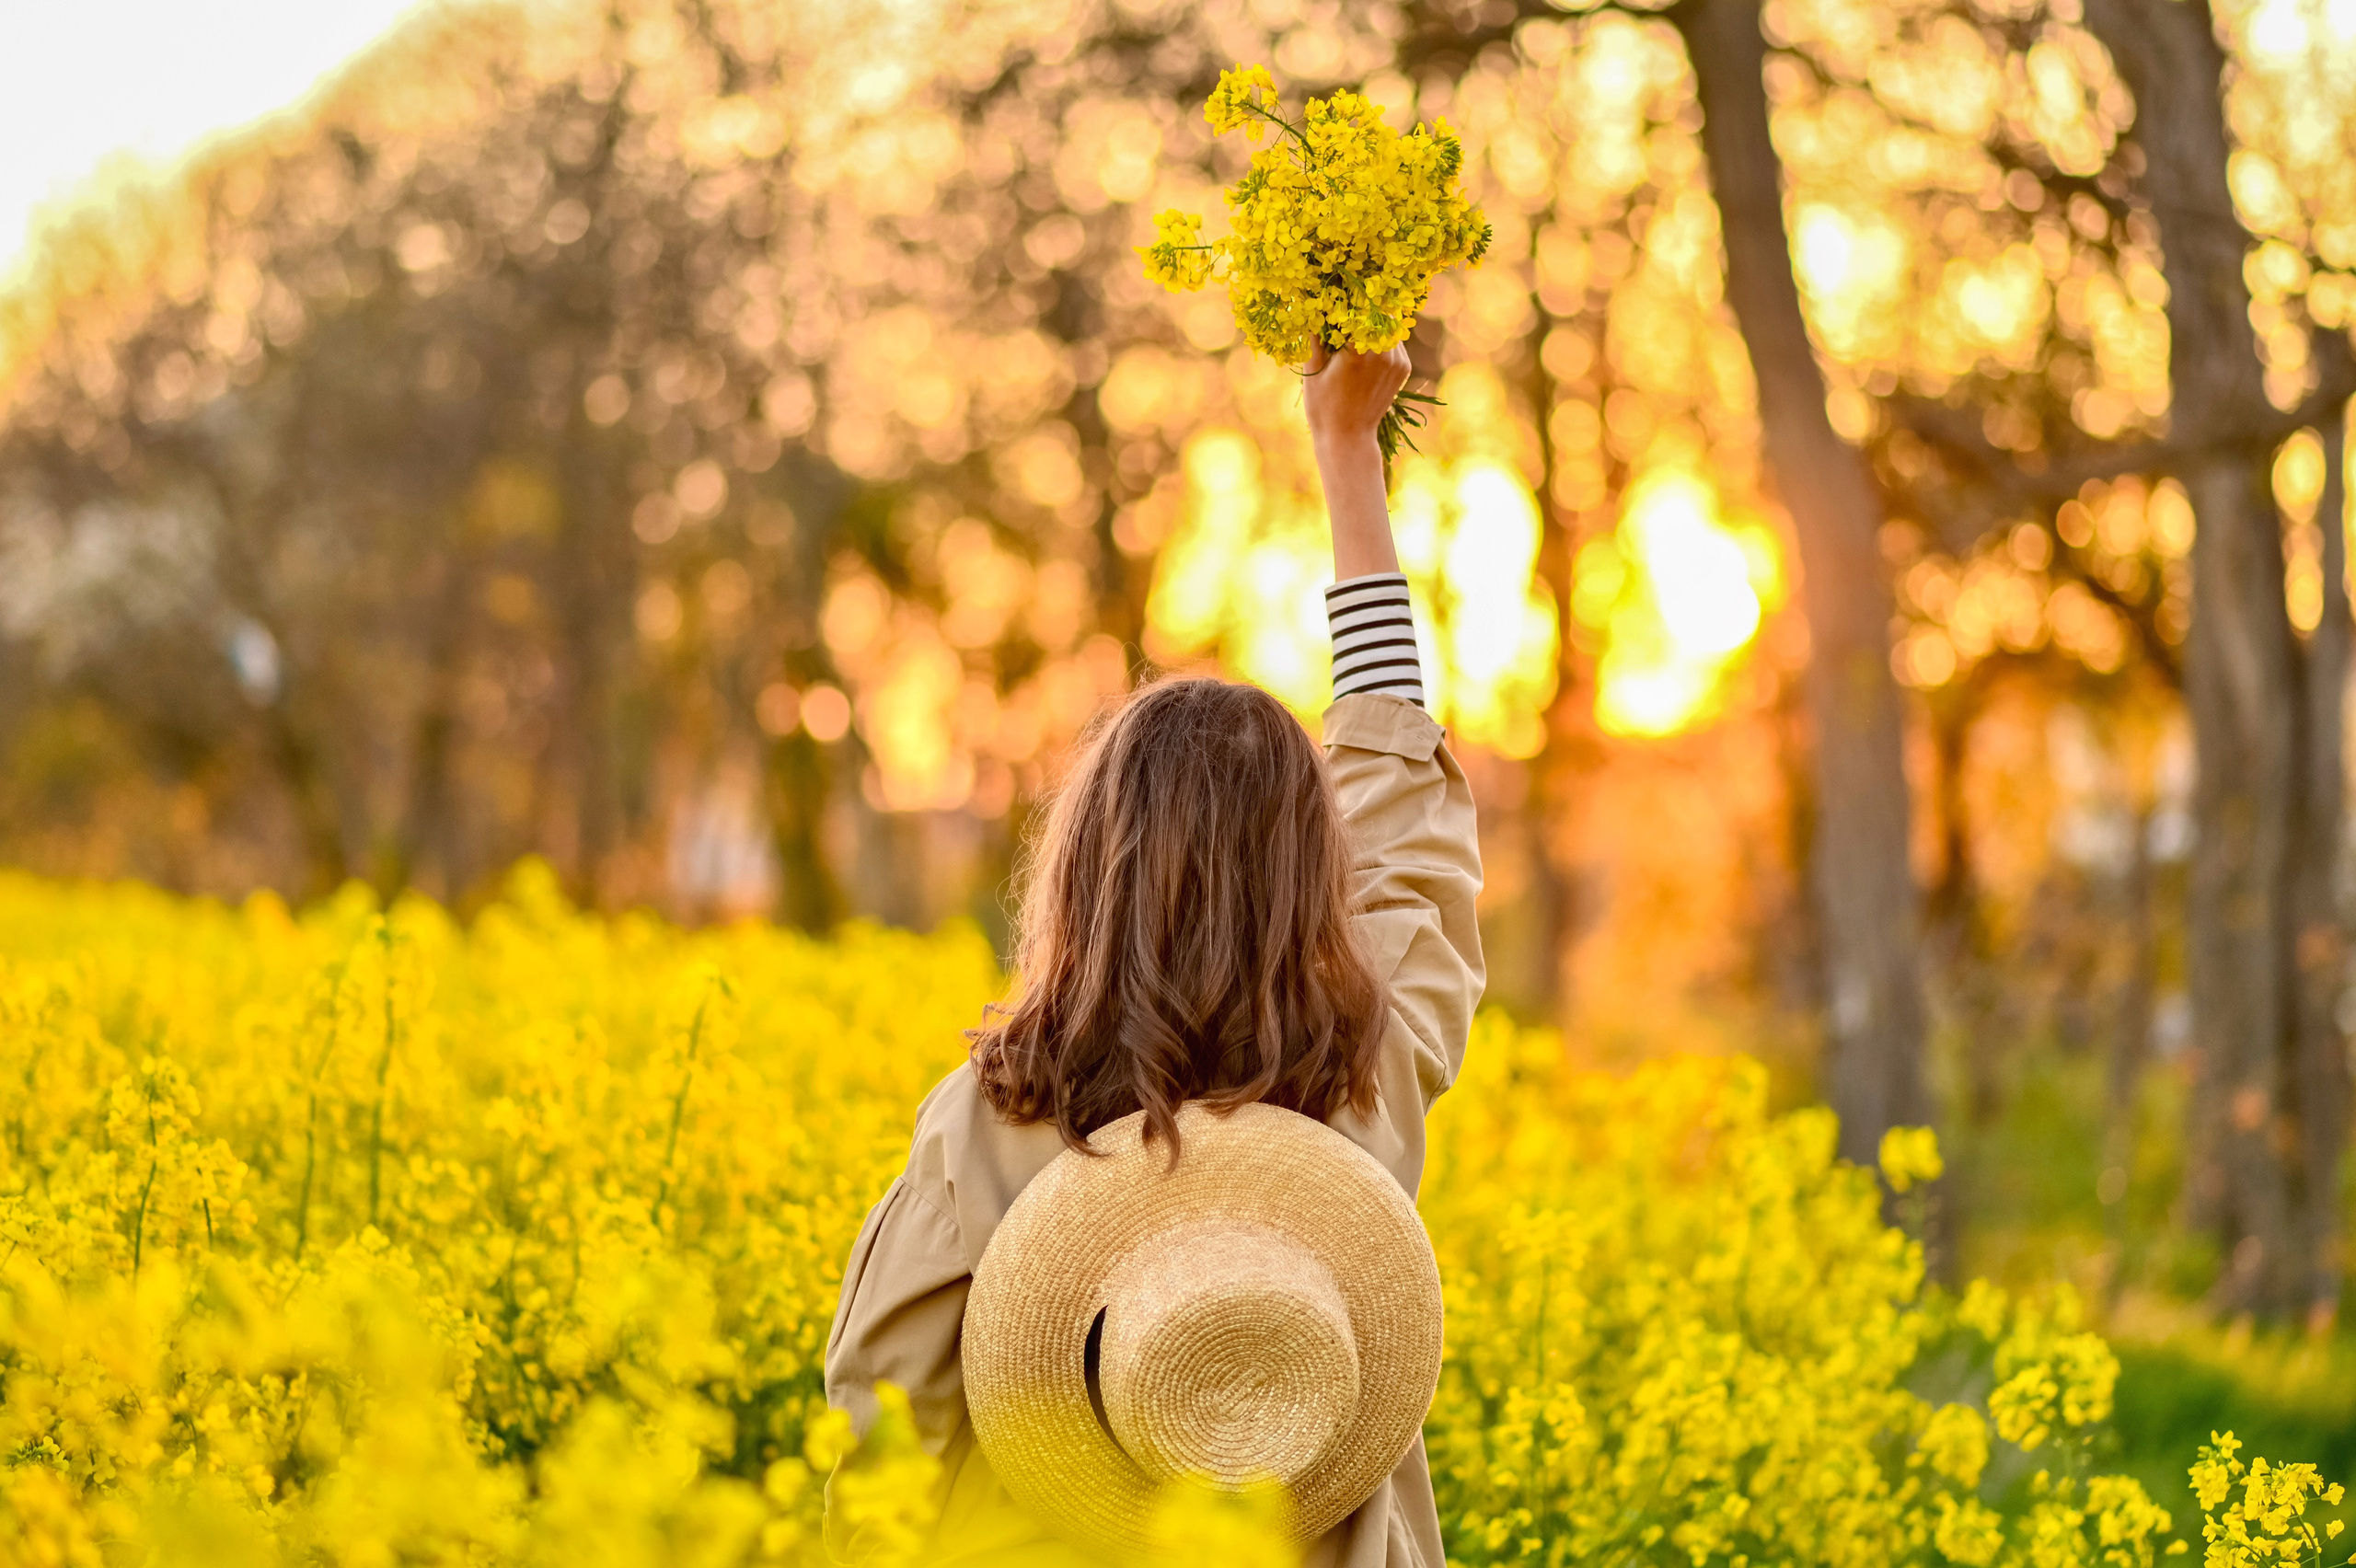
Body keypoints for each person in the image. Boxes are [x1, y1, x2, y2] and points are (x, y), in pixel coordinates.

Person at [823, 340, 1484, 1567]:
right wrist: (1348, 456)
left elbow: (885, 1455)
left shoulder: (989, 1120)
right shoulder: (1359, 1081)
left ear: (1086, 876)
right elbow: (1402, 813)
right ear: (1311, 885)